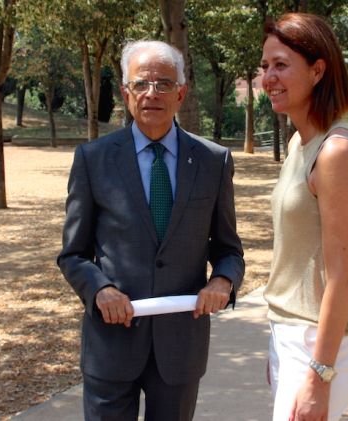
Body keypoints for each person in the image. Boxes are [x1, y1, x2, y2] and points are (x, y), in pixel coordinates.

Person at [57, 40, 244, 421]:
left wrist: (223, 282)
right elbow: (73, 254)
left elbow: (228, 249)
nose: (152, 93)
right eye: (141, 84)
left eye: (163, 83)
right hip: (111, 343)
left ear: (182, 92)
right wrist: (100, 289)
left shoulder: (213, 161)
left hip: (180, 348)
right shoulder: (93, 160)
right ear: (126, 93)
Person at [261, 13, 348, 421]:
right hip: (294, 334)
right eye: (265, 66)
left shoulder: (336, 152)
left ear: (317, 70)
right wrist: (278, 343)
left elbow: (343, 277)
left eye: (281, 65)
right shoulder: (299, 143)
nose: (268, 78)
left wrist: (319, 374)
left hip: (321, 341)